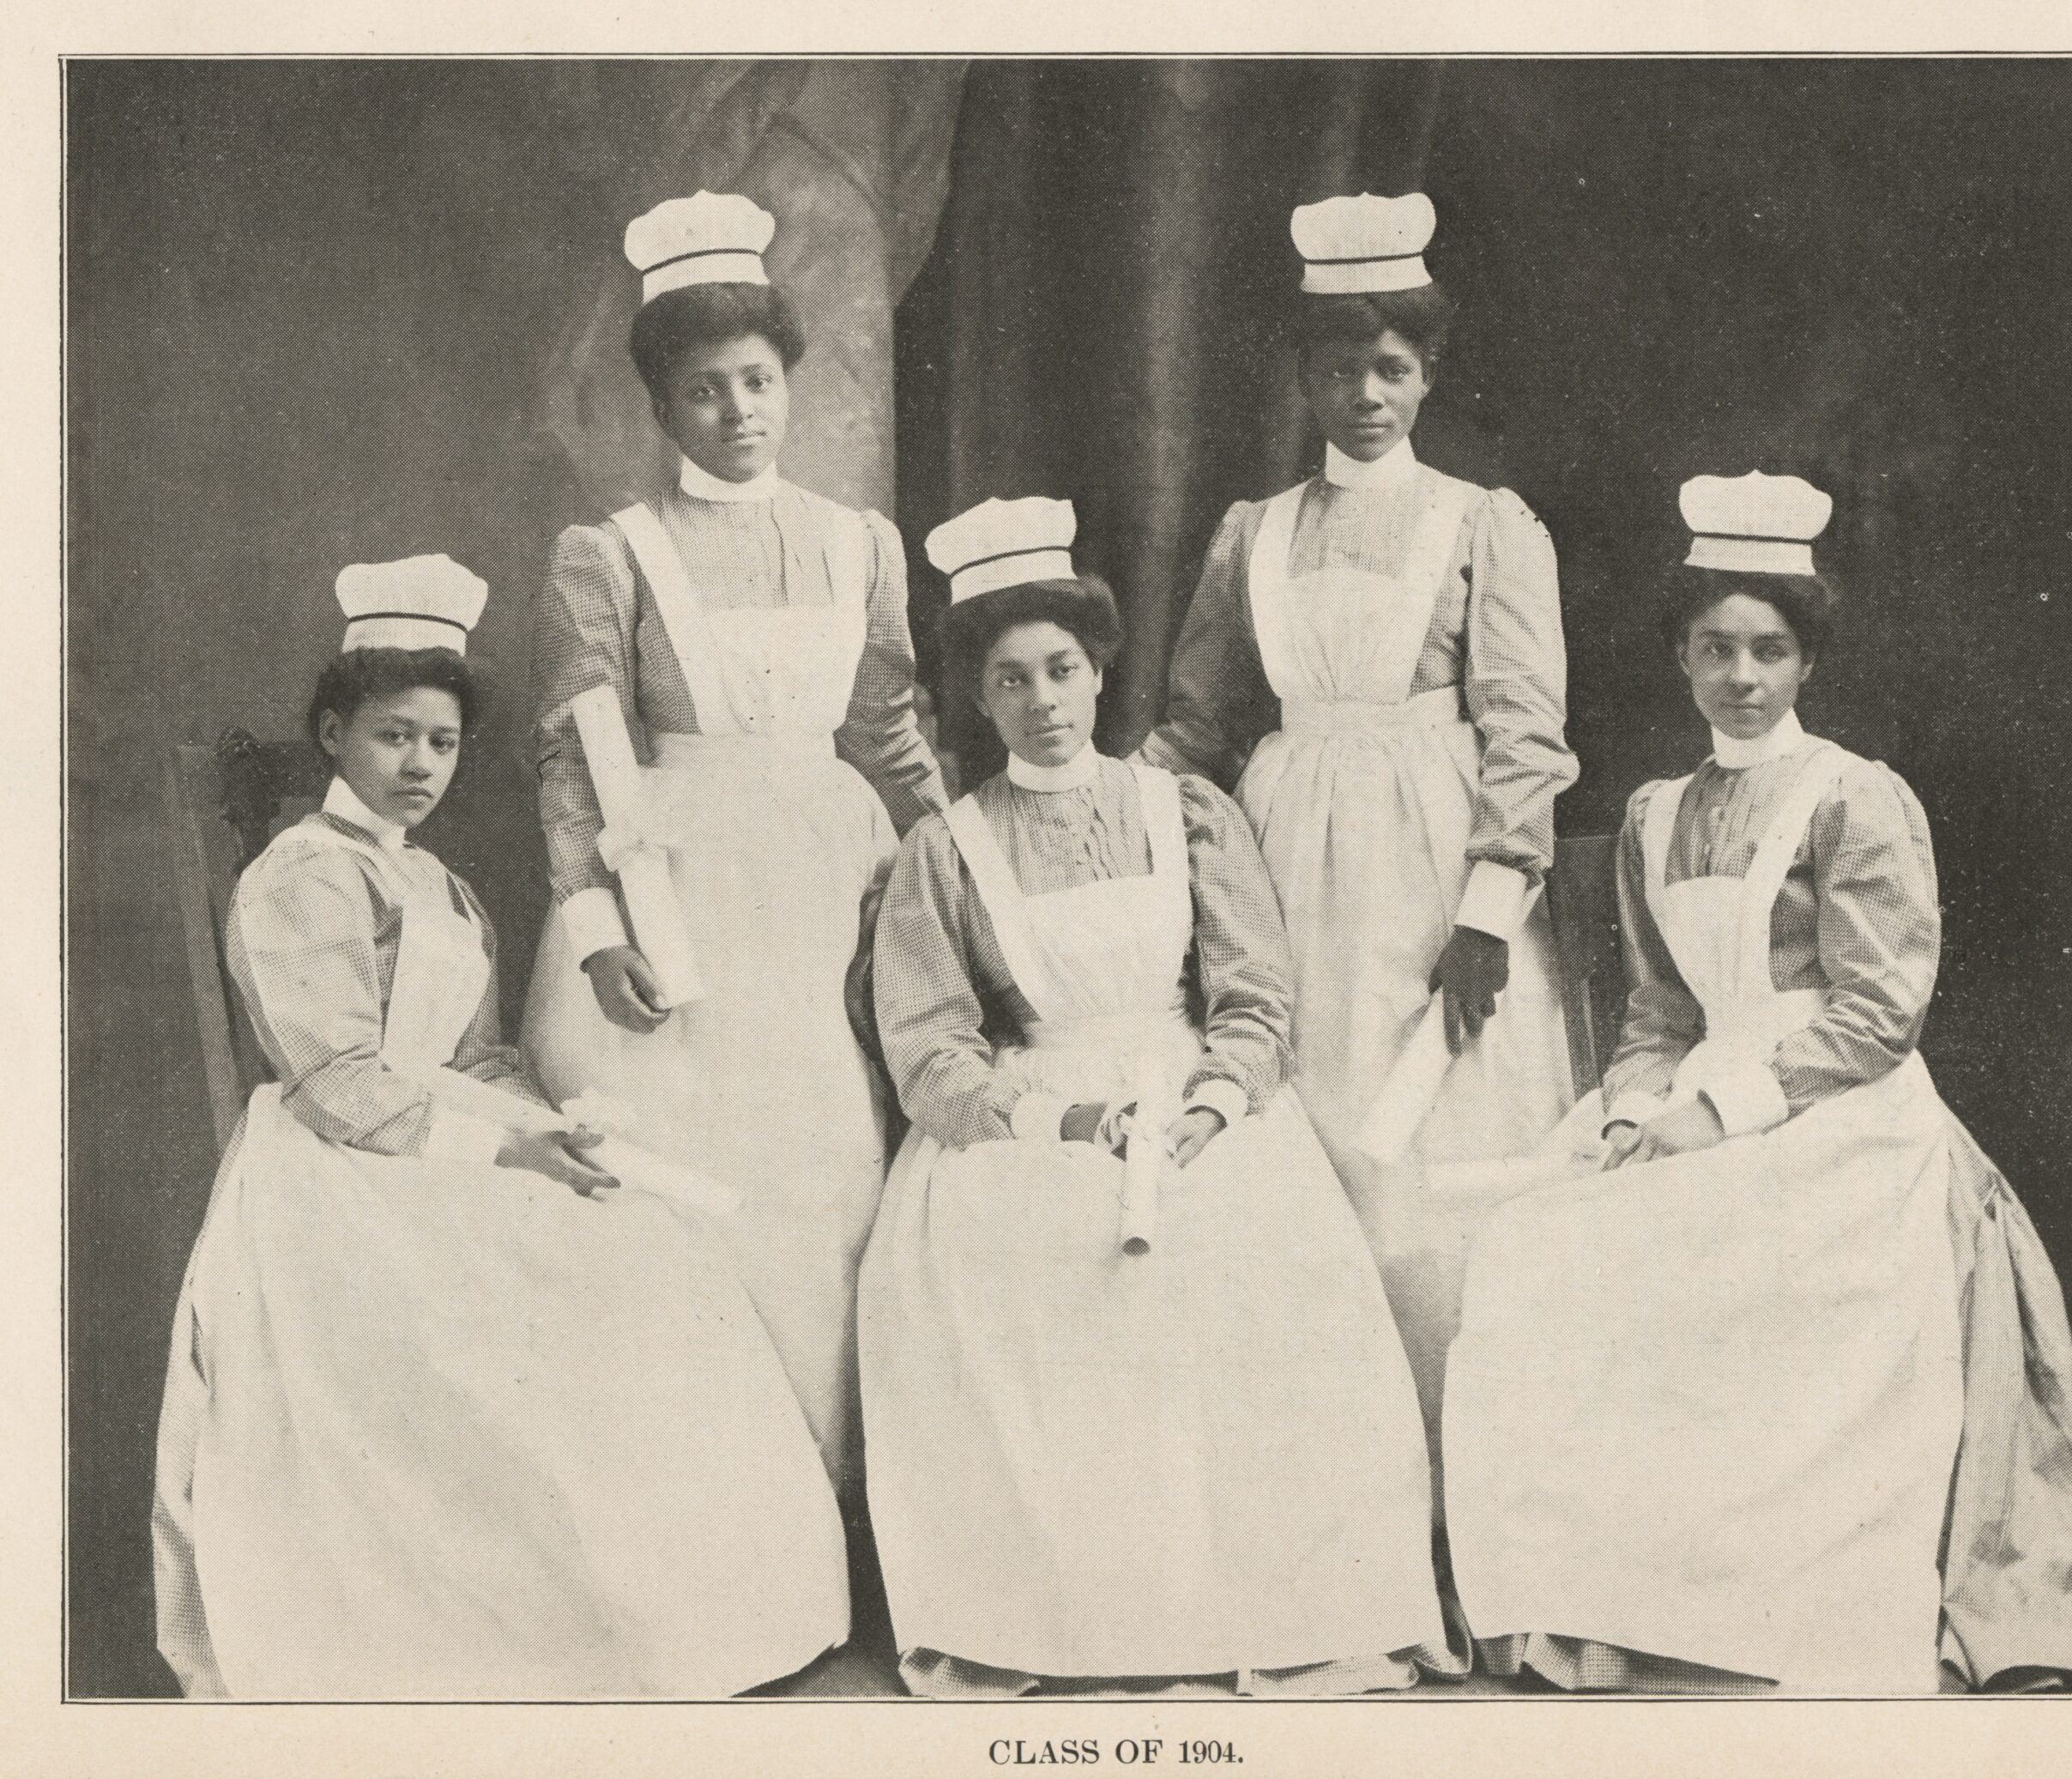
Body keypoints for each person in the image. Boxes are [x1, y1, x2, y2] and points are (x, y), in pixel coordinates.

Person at [1442, 474, 2072, 1694]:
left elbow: (1877, 1010)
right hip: (1701, 1087)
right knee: (1536, 1245)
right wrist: (1641, 1108)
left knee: (1751, 1260)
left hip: (1839, 1112)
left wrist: (1718, 1112)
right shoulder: (1656, 814)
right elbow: (1659, 1009)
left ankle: (1781, 1590)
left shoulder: (1853, 796)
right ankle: (1595, 1598)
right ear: (1683, 658)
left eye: (1768, 648)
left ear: (1806, 660)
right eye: (1715, 648)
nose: (1741, 675)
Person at [150, 557, 849, 1699]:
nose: (419, 764)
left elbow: (474, 1054)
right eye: (392, 737)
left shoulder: (440, 884)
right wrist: (501, 1150)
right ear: (334, 734)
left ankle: (658, 1614)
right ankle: (526, 1627)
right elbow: (340, 1074)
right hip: (340, 1168)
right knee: (529, 1293)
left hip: (448, 1133)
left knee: (642, 1236)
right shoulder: (301, 876)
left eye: (441, 742)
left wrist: (548, 1128)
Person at [858, 498, 1456, 1697]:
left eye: (1063, 669)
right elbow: (930, 1049)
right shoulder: (947, 850)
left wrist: (1214, 1104)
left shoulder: (1182, 809)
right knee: (1032, 1271)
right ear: (978, 697)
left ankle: (1260, 1605)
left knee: (1254, 1266)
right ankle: (1082, 1617)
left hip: (1196, 1104)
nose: (1042, 699)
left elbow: (1253, 995)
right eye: (1011, 677)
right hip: (1033, 1119)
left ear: (1099, 672)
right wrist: (1061, 1122)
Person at [1136, 191, 1576, 1471]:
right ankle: (1327, 1494)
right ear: (1304, 376)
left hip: (1435, 878)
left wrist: (1490, 913)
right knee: (1301, 1171)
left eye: (1391, 367)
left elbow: (1525, 732)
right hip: (1280, 872)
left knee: (1427, 1181)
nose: (1366, 393)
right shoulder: (1252, 537)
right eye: (1340, 368)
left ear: (1429, 373)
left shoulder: (1481, 524)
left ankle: (1463, 1493)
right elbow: (1193, 729)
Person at [520, 191, 945, 1492]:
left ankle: (850, 1492)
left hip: (836, 874)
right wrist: (598, 932)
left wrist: (962, 867)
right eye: (705, 390)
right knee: (715, 1166)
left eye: (757, 380)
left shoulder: (856, 543)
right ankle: (728, 1495)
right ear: (664, 408)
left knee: (841, 1156)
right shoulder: (615, 554)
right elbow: (573, 750)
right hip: (682, 887)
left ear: (788, 384)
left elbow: (891, 728)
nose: (738, 411)